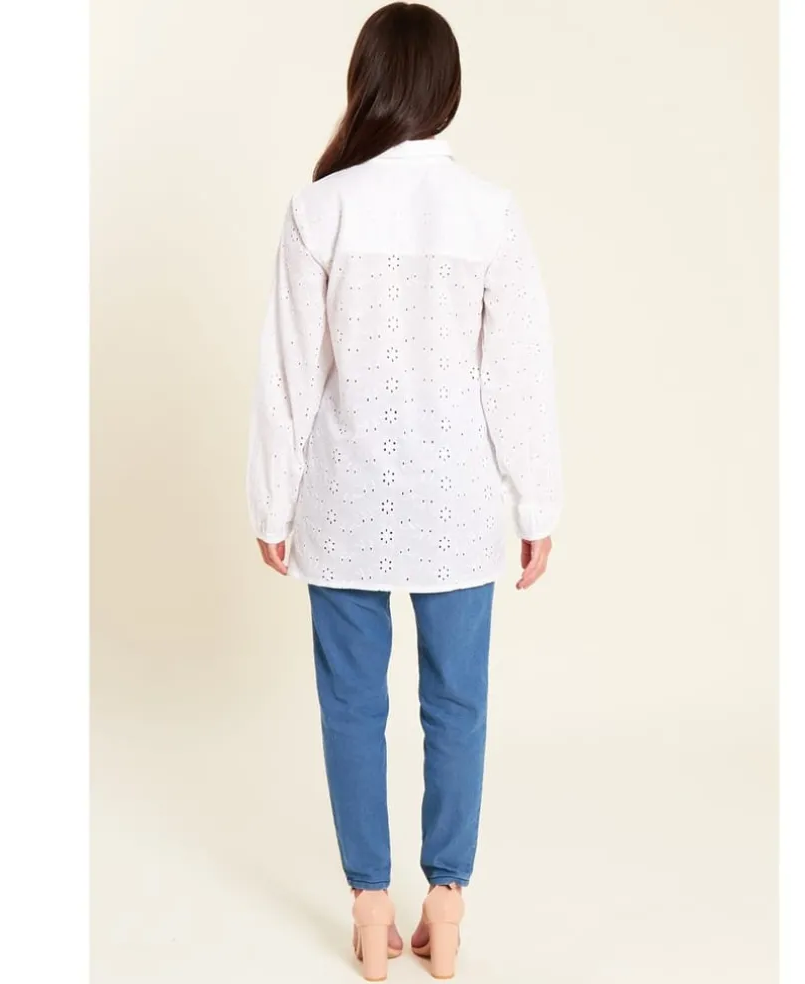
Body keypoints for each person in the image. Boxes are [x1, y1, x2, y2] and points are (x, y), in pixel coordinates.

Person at [246, 3, 562, 978]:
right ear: (446, 90)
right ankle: (449, 904)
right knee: (456, 704)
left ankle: (371, 909)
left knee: (353, 705)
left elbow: (290, 376)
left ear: (368, 82)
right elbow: (517, 374)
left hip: (344, 497)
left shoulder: (320, 209)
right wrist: (536, 502)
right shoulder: (489, 211)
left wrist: (271, 502)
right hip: (458, 503)